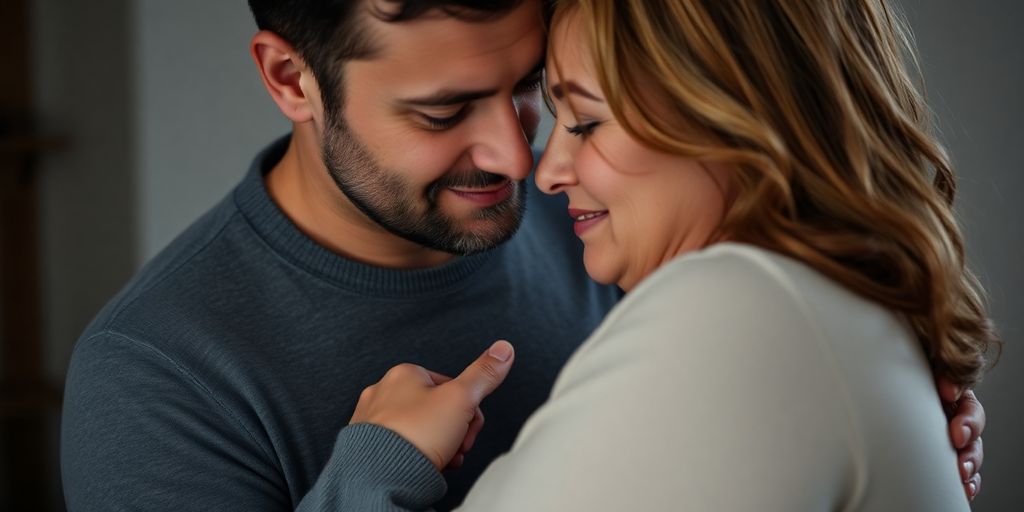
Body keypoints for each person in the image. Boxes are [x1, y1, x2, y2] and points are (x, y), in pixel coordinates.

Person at [59, 0, 983, 510]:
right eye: (443, 112)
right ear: (290, 78)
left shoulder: (605, 218)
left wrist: (834, 432)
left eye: (533, 91)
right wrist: (370, 478)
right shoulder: (156, 374)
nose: (521, 158)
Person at [341, 0, 999, 510]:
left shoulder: (735, 306)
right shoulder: (821, 310)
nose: (545, 172)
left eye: (588, 122)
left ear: (732, 111)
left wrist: (375, 469)